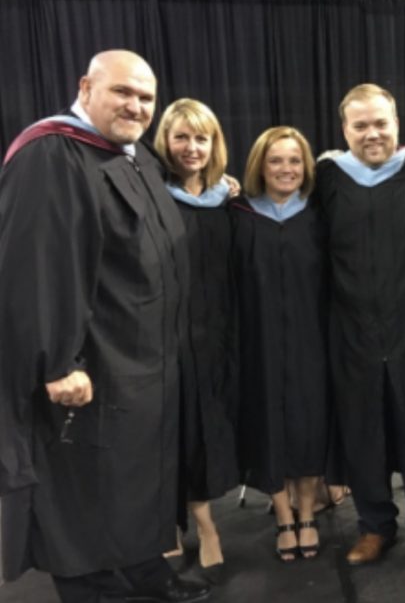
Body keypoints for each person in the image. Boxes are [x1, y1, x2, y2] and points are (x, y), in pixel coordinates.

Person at [0, 50, 209, 603]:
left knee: (136, 479)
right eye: (123, 92)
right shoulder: (53, 154)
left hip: (143, 360)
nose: (136, 106)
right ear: (85, 87)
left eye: (145, 97)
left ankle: (142, 566)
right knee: (85, 485)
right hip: (92, 366)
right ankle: (93, 586)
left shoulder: (134, 155)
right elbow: (33, 267)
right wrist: (57, 362)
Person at [315, 83, 405, 577]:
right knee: (362, 431)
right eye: (361, 126)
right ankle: (374, 525)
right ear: (344, 130)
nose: (372, 134)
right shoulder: (327, 176)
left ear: (397, 124)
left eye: (380, 124)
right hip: (351, 329)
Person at [230, 126, 330, 563]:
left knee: (309, 426)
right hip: (259, 341)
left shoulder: (320, 213)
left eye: (294, 160)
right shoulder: (238, 212)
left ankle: (307, 513)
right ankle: (282, 514)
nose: (286, 169)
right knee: (267, 426)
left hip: (313, 339)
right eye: (276, 160)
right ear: (260, 166)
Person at [153, 98, 239, 580]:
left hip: (215, 334)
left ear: (214, 144)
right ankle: (175, 524)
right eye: (181, 137)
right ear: (165, 140)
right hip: (163, 335)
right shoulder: (150, 193)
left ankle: (204, 522)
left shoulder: (226, 199)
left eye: (201, 138)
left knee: (203, 431)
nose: (191, 147)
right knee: (169, 432)